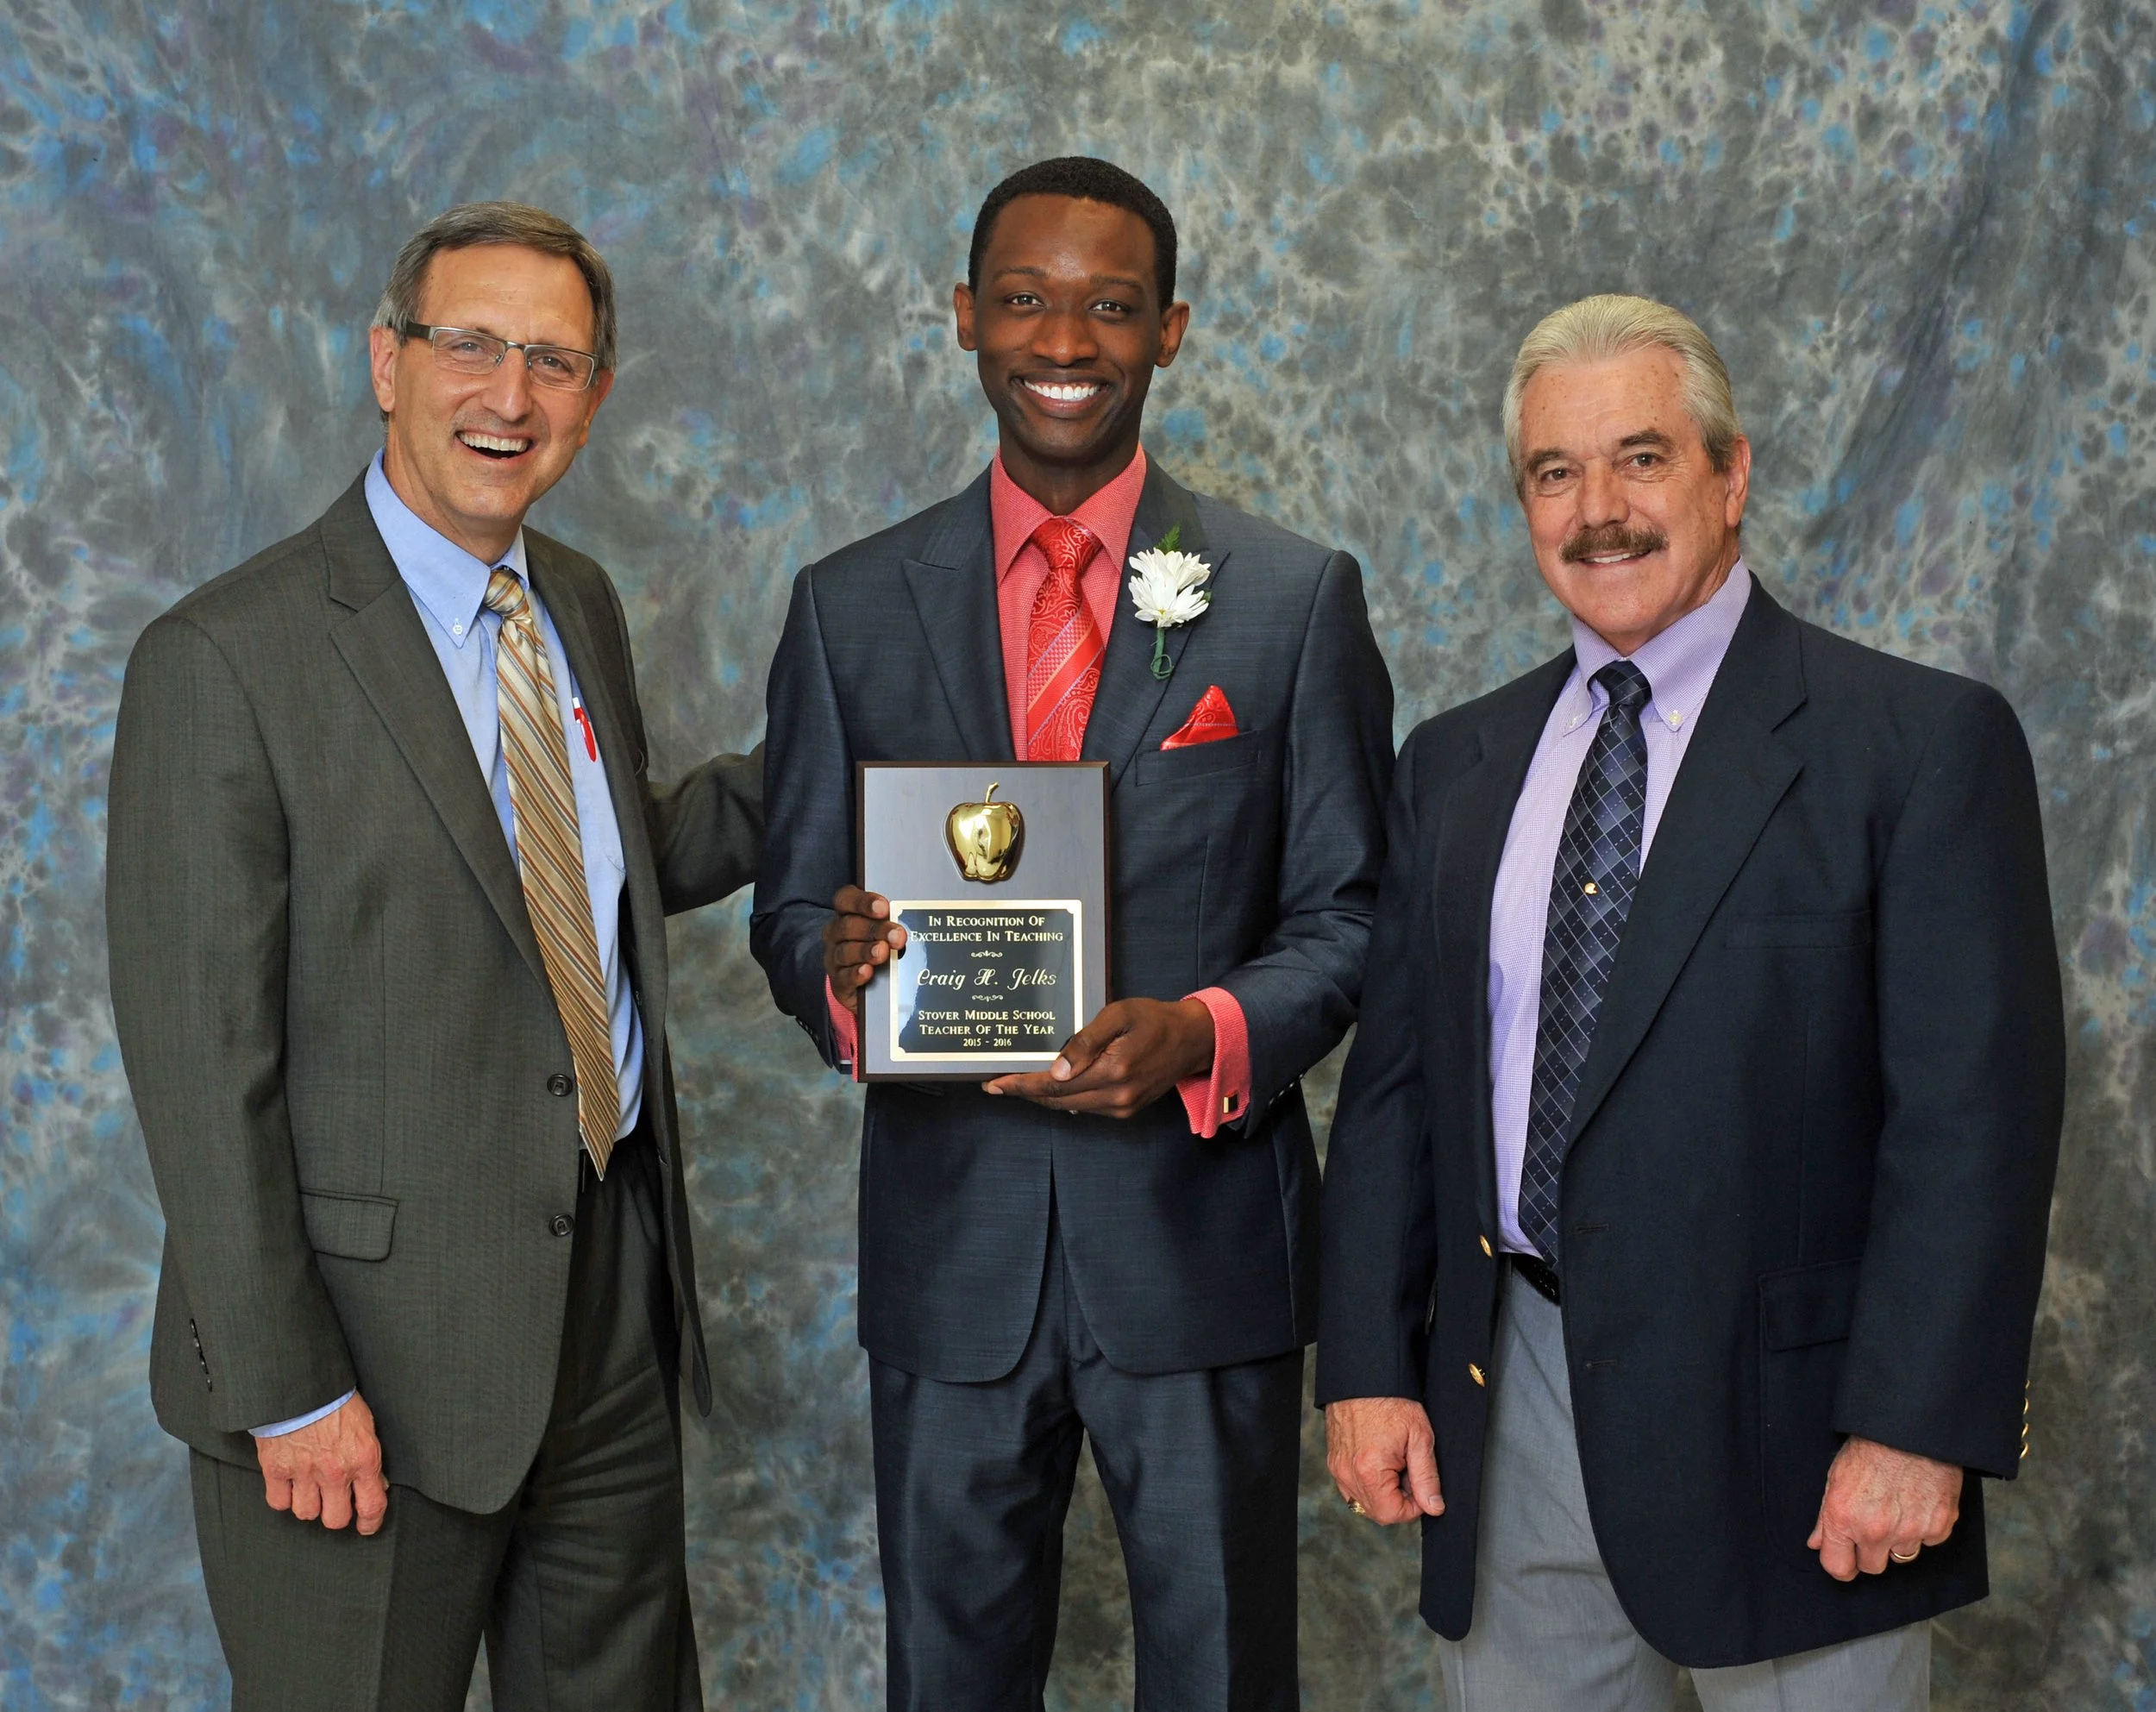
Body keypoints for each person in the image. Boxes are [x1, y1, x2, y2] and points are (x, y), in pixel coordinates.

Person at [1317, 292, 2065, 1709]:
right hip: (1514, 1397)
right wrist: (1368, 1363)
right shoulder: (1458, 764)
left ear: (1731, 476)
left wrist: (1915, 1428)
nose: (1599, 510)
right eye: (1556, 472)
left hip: (1801, 1439)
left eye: (1642, 459)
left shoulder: (1913, 747)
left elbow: (1975, 1125)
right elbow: (1399, 1093)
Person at [751, 157, 1393, 1711]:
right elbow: (789, 902)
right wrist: (839, 983)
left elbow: (1355, 914)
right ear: (967, 318)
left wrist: (1205, 1036)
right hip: (952, 1260)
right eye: (1026, 298)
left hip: (1200, 1257)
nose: (1066, 338)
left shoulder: (1290, 600)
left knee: (1223, 1679)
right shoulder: (846, 606)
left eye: (1110, 306)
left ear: (1168, 331)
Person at [105, 201, 761, 1710]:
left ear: (594, 398)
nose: (508, 394)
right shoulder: (225, 659)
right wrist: (288, 1387)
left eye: (554, 358)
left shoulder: (570, 602)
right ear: (385, 362)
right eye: (469, 344)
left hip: (601, 1323)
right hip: (361, 1369)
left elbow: (571, 878)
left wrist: (849, 759)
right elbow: (201, 1076)